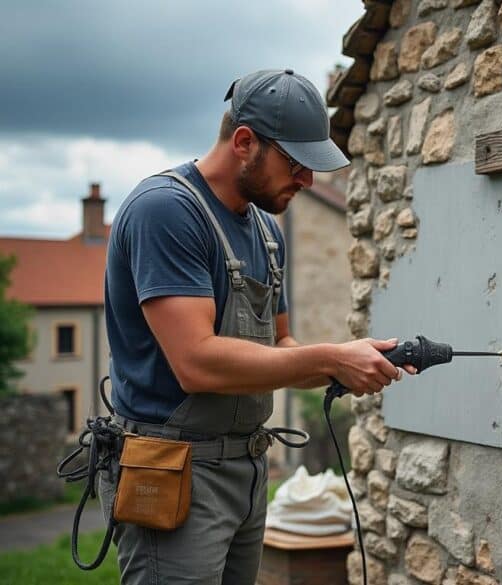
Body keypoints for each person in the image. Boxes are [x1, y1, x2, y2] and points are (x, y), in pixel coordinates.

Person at [100, 69, 407, 585]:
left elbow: (281, 346)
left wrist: (354, 361)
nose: (308, 181)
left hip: (248, 469)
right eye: (297, 163)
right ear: (245, 142)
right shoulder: (166, 212)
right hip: (174, 471)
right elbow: (195, 362)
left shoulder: (267, 230)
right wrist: (331, 357)